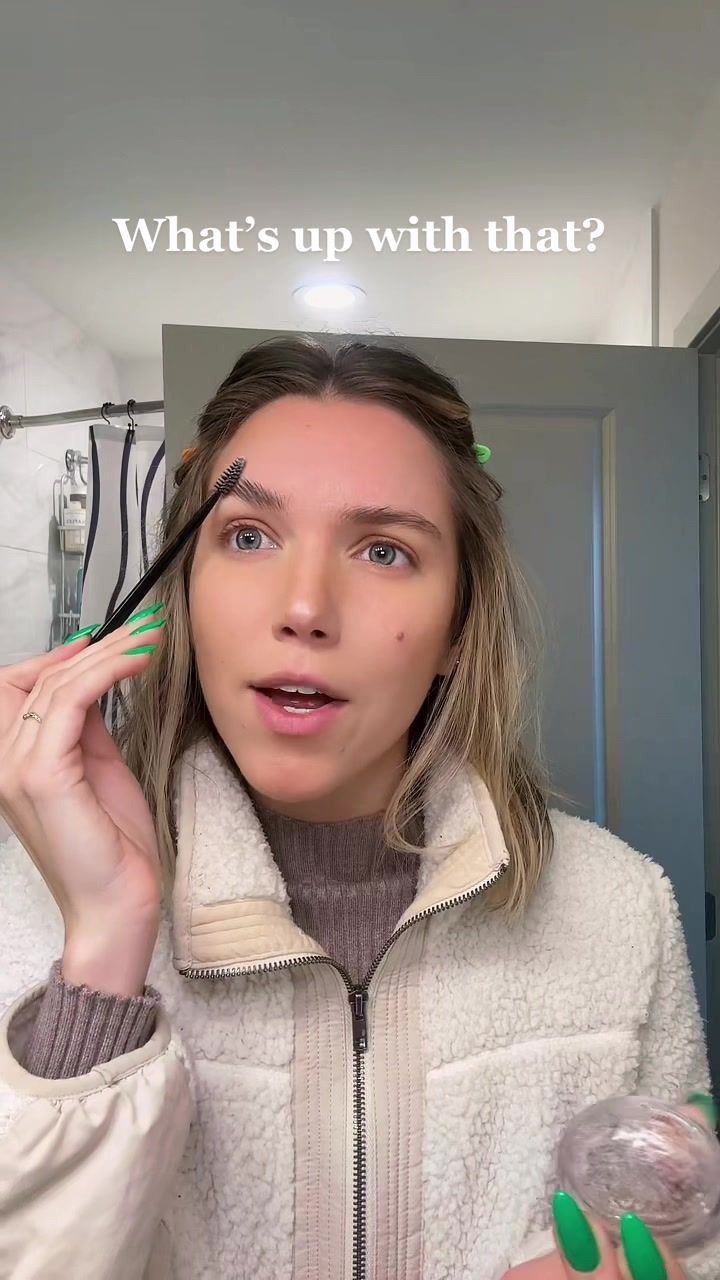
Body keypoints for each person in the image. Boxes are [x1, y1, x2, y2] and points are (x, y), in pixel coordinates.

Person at [0, 334, 716, 1280]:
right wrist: (101, 957)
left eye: (384, 550)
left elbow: (689, 1233)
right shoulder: (22, 912)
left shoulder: (619, 908)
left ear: (457, 628)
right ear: (184, 592)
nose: (305, 607)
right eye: (248, 537)